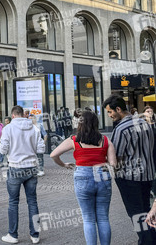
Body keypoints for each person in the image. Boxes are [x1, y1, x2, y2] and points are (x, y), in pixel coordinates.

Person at [50, 111, 117, 245]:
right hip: (102, 174)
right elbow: (113, 164)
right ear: (96, 124)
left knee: (88, 219)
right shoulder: (105, 140)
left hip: (82, 175)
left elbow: (53, 155)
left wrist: (63, 164)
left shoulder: (74, 140)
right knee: (103, 218)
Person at [103, 95, 156, 244]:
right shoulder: (146, 123)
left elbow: (116, 159)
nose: (109, 116)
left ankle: (146, 241)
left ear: (118, 109)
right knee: (147, 211)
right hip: (148, 176)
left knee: (136, 215)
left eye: (110, 112)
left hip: (129, 178)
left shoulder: (120, 129)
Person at [0, 105, 45, 244]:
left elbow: (2, 150)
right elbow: (41, 148)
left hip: (15, 167)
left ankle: (13, 235)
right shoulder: (34, 128)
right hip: (31, 167)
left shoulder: (7, 128)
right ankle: (35, 235)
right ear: (23, 114)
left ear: (13, 115)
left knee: (13, 202)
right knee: (32, 201)